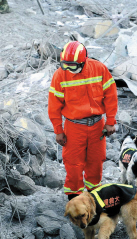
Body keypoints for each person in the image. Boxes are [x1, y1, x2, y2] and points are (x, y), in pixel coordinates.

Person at [48, 41, 117, 200]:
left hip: (97, 125)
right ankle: (74, 199)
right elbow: (54, 106)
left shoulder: (99, 69)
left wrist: (110, 120)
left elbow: (111, 96)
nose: (69, 70)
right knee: (73, 164)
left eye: (73, 66)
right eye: (65, 65)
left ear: (84, 61)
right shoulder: (60, 74)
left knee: (96, 161)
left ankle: (94, 198)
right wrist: (58, 131)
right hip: (73, 127)